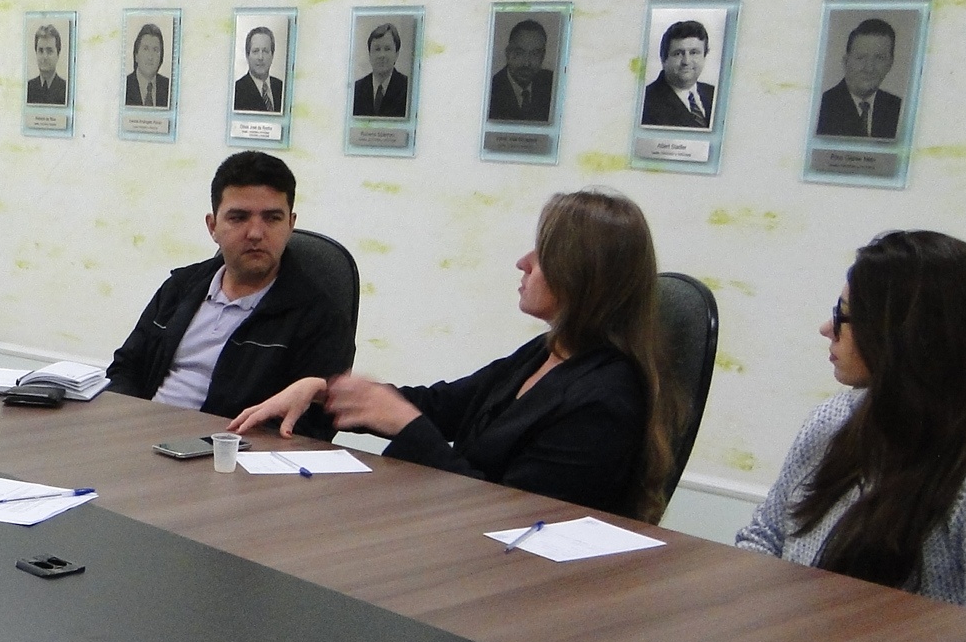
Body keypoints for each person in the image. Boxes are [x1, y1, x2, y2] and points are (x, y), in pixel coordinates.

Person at [231, 189, 676, 522]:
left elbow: (511, 516)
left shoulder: (606, 399)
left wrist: (404, 423)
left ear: (581, 276)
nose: (524, 262)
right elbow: (442, 404)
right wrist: (325, 390)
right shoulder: (547, 353)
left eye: (543, 254)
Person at [739, 232, 966, 603]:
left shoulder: (964, 476)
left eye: (843, 316)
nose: (827, 329)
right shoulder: (833, 419)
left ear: (901, 334)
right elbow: (764, 537)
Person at [106, 151, 353, 437]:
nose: (256, 233)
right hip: (143, 436)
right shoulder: (181, 287)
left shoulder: (320, 319)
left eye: (272, 218)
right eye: (239, 217)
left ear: (290, 224)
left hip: (230, 455)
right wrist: (125, 425)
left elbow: (310, 428)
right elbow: (126, 368)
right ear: (213, 226)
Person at [816, 18, 904, 140]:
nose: (869, 68)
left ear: (890, 63)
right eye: (861, 57)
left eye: (879, 58)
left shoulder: (899, 109)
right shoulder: (822, 107)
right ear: (846, 61)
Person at [640, 20, 717, 130]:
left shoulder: (714, 94)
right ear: (663, 59)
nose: (686, 61)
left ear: (704, 56)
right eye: (678, 53)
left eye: (694, 52)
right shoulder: (645, 103)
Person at [486, 19, 555, 123]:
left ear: (543, 56)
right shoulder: (491, 90)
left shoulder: (552, 85)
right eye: (519, 53)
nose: (526, 63)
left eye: (535, 54)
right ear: (508, 53)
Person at [352, 23, 409, 118]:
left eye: (387, 49)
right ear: (369, 54)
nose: (382, 55)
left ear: (397, 54)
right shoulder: (357, 89)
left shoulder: (407, 88)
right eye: (377, 49)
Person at [232, 26, 285, 114]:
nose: (260, 57)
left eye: (265, 51)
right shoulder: (237, 91)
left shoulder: (281, 87)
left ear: (272, 55)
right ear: (247, 55)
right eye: (255, 51)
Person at [125, 23, 171, 108]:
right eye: (145, 49)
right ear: (136, 55)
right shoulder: (124, 86)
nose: (150, 57)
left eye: (155, 50)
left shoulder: (169, 87)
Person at [27, 24, 69, 105]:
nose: (44, 57)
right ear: (36, 53)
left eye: (49, 51)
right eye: (41, 51)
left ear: (58, 54)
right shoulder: (28, 88)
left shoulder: (66, 89)